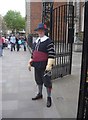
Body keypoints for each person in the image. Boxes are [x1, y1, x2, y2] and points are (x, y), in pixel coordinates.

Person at [28, 23, 55, 107]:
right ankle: (40, 94)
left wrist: (49, 65)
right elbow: (33, 53)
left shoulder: (48, 41)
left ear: (44, 31)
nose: (40, 32)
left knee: (47, 82)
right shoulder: (36, 42)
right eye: (39, 30)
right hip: (37, 65)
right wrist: (30, 61)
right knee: (38, 80)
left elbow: (52, 54)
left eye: (42, 30)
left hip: (45, 65)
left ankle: (49, 97)